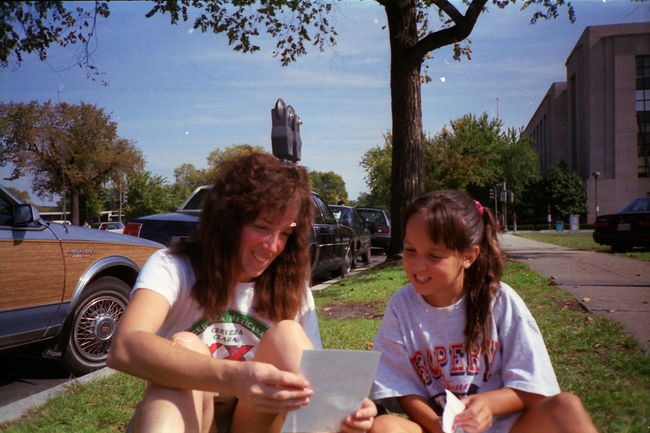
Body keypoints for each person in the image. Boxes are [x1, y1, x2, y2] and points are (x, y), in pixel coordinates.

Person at [108, 151, 376, 433]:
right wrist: (234, 377)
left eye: (285, 233)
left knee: (287, 335)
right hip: (191, 414)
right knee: (185, 344)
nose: (272, 247)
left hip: (259, 421)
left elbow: (312, 381)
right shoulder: (173, 266)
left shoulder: (291, 284)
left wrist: (344, 407)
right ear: (226, 221)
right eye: (262, 227)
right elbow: (124, 347)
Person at [369, 190, 597, 433]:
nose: (417, 264)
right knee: (385, 426)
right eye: (410, 250)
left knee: (566, 406)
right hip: (437, 428)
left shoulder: (499, 300)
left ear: (468, 256)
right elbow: (402, 389)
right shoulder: (401, 306)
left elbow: (534, 387)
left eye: (434, 255)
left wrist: (489, 404)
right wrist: (437, 424)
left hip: (506, 427)